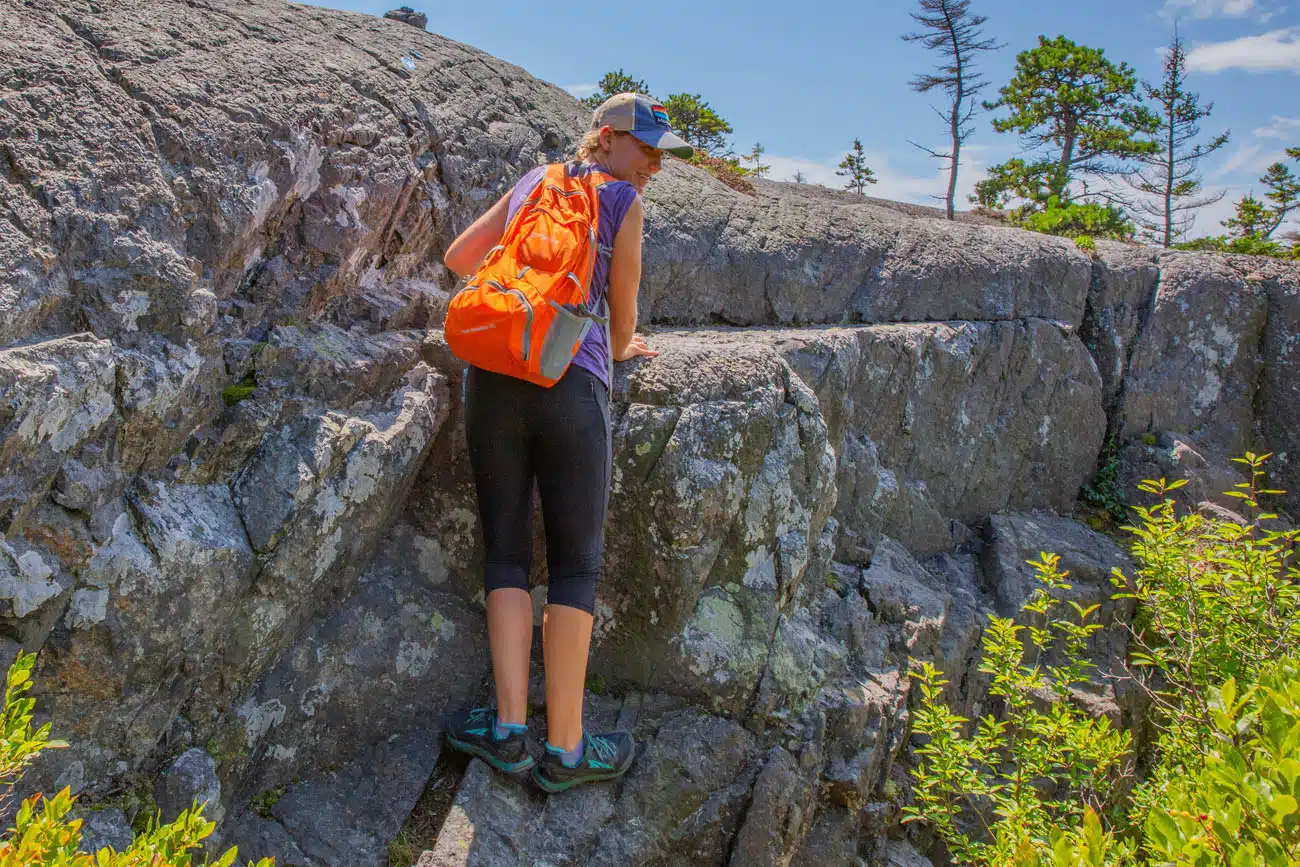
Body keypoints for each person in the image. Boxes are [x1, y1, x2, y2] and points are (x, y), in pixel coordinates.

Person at [440, 94, 693, 792]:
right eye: (646, 149)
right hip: (571, 386)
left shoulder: (536, 180)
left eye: (658, 154)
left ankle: (508, 732)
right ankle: (568, 750)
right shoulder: (622, 205)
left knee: (506, 552)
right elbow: (621, 317)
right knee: (576, 564)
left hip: (493, 377)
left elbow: (460, 255)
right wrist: (621, 349)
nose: (653, 165)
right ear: (606, 139)